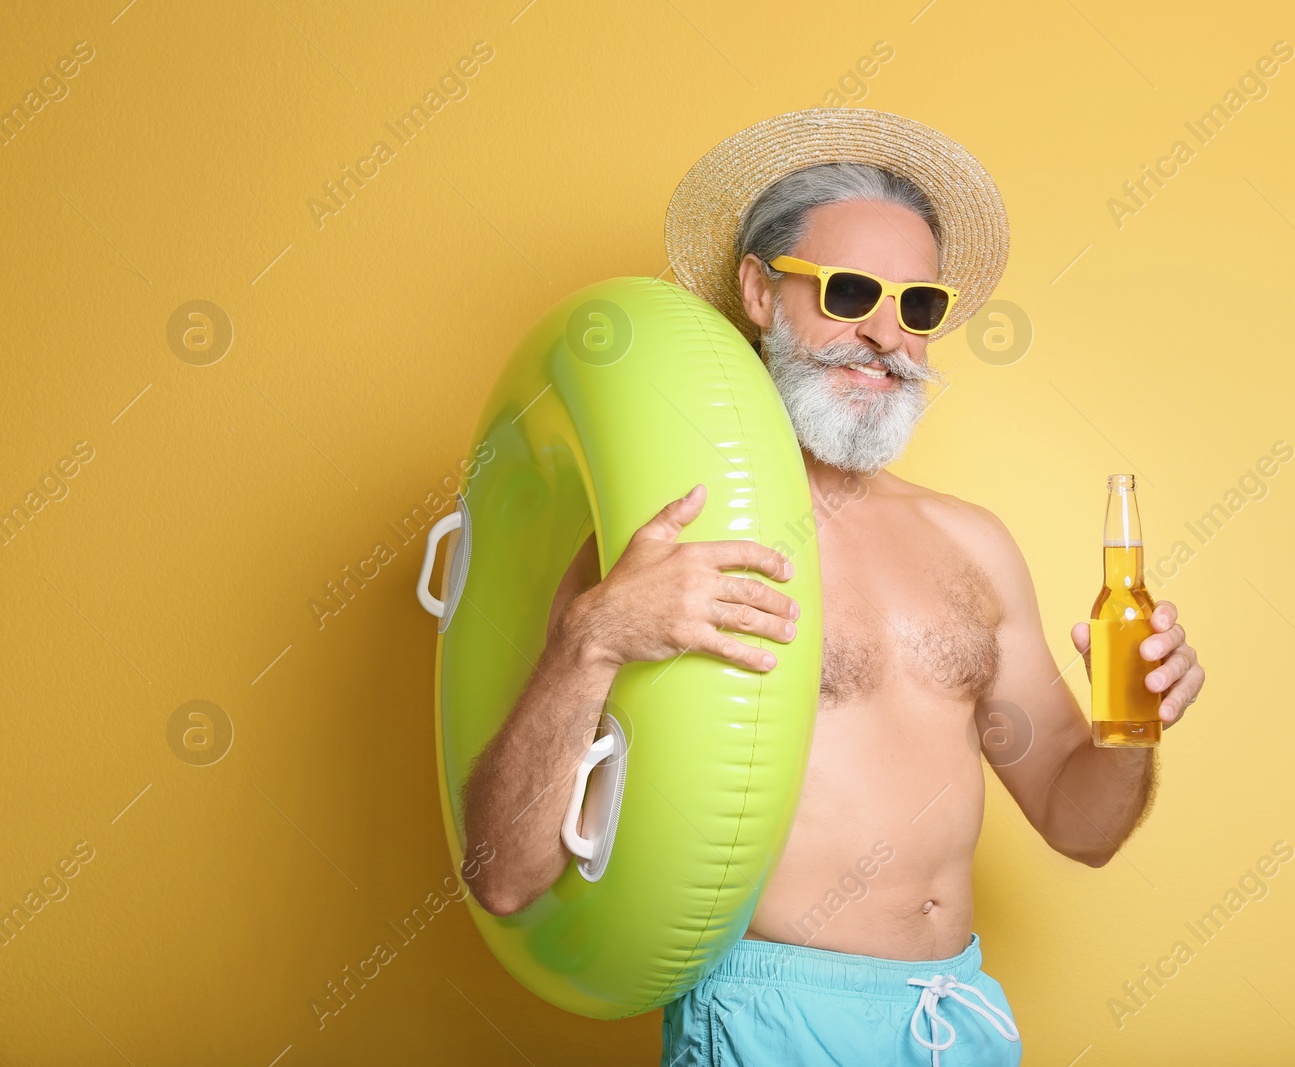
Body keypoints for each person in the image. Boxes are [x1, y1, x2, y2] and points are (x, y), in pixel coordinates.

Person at [460, 108, 1206, 1066]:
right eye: (850, 291)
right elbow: (506, 875)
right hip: (773, 1019)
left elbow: (1079, 820)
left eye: (918, 307)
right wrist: (591, 637)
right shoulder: (671, 536)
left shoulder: (972, 543)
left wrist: (1131, 726)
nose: (885, 334)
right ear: (760, 294)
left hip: (955, 1017)